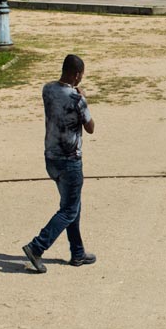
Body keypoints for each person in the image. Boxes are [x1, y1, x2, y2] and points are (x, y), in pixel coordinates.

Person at [20, 54, 96, 273]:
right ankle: (37, 247)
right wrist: (84, 98)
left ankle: (77, 252)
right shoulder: (77, 99)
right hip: (70, 161)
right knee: (69, 210)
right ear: (77, 75)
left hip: (51, 158)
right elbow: (90, 127)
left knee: (72, 205)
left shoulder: (47, 90)